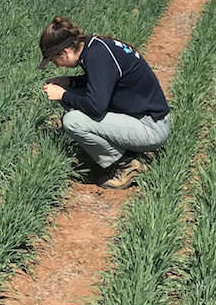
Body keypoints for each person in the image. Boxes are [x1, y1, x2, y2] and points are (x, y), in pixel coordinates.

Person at [38, 16, 171, 189]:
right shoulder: (93, 47)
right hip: (141, 117)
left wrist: (62, 95)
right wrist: (69, 83)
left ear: (65, 52)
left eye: (53, 60)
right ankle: (122, 150)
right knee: (70, 95)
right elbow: (101, 81)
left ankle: (125, 164)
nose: (55, 65)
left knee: (72, 121)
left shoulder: (96, 56)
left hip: (151, 127)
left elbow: (96, 107)